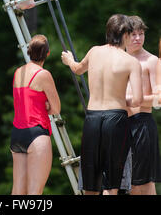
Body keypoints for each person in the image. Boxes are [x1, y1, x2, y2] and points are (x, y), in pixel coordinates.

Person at [61, 14, 143, 195]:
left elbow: (77, 69)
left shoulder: (94, 51)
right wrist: (122, 99)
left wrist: (68, 60)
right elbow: (137, 100)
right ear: (127, 34)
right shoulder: (131, 61)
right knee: (112, 183)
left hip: (92, 118)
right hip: (116, 119)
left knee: (91, 181)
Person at [11, 34, 60, 195]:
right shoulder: (43, 74)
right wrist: (46, 106)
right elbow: (56, 108)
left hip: (17, 133)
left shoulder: (18, 72)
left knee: (18, 191)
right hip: (36, 133)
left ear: (29, 52)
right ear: (47, 53)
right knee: (34, 193)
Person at [125, 15, 161, 195]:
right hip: (118, 123)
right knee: (128, 184)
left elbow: (160, 98)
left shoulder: (152, 60)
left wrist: (135, 100)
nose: (138, 38)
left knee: (145, 183)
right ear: (124, 35)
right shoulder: (118, 58)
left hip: (142, 123)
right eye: (133, 34)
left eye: (141, 34)